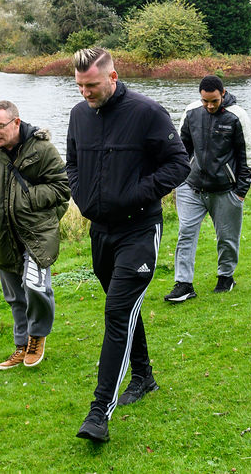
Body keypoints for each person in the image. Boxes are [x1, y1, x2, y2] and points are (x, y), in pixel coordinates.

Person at [67, 48, 190, 444]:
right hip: (99, 231)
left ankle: (99, 411)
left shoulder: (146, 112)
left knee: (118, 311)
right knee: (125, 310)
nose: (86, 92)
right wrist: (81, 193)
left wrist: (139, 193)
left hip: (139, 230)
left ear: (113, 77)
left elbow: (178, 163)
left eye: (92, 85)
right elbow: (70, 162)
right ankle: (144, 377)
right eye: (80, 85)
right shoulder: (78, 115)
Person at [0, 100, 70, 371]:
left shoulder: (42, 149)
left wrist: (26, 198)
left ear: (16, 123)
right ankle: (21, 346)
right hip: (2, 235)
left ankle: (37, 338)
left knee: (35, 286)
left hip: (37, 233)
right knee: (15, 297)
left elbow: (62, 187)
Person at [165, 75, 251, 302]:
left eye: (214, 101)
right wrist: (179, 179)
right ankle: (183, 284)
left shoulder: (237, 116)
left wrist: (241, 192)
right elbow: (181, 148)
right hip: (191, 188)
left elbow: (248, 156)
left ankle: (226, 277)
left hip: (225, 190)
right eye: (205, 101)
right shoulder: (192, 112)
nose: (209, 106)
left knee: (226, 238)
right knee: (185, 233)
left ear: (222, 93)